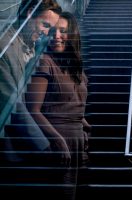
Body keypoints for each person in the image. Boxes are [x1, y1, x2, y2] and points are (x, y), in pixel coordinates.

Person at [26, 11, 91, 200]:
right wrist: (58, 140)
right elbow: (33, 110)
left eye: (63, 31)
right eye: (53, 30)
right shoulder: (44, 62)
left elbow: (69, 102)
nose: (57, 36)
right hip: (57, 141)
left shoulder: (75, 67)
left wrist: (83, 124)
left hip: (78, 141)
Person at [0, 0, 62, 162]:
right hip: (12, 146)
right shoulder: (4, 47)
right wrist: (43, 145)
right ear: (29, 15)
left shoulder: (37, 46)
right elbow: (12, 105)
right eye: (45, 25)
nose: (47, 33)